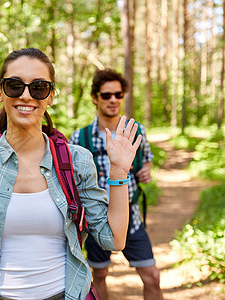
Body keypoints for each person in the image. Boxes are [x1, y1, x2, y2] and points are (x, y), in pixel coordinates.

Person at [0, 48, 142, 300]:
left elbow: (113, 240)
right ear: (0, 92)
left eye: (38, 87)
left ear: (50, 96)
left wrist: (118, 172)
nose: (26, 95)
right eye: (15, 85)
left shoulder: (76, 160)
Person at [69, 69, 163, 300]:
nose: (113, 100)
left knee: (151, 275)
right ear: (95, 98)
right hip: (95, 219)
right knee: (99, 276)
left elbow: (147, 158)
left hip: (131, 218)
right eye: (106, 95)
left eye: (118, 95)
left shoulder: (136, 131)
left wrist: (145, 171)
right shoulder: (78, 138)